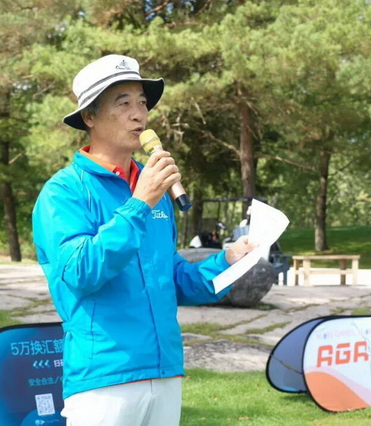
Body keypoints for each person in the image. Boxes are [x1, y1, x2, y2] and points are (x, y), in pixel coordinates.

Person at [31, 54, 255, 426]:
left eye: (142, 103)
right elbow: (81, 272)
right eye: (123, 104)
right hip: (104, 378)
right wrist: (139, 204)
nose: (139, 115)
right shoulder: (63, 192)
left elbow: (174, 278)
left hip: (165, 372)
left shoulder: (154, 191)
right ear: (89, 117)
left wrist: (229, 261)